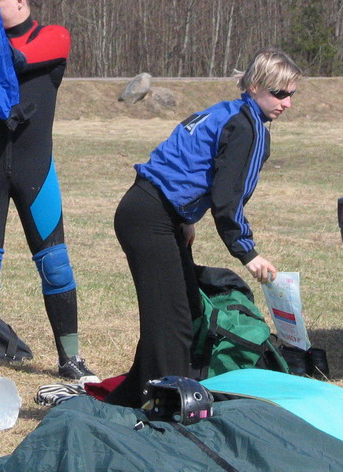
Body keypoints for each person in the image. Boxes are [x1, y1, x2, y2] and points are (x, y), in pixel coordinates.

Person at [105, 47, 301, 408]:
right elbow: (228, 199)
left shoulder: (227, 112)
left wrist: (185, 219)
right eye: (279, 93)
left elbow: (188, 165)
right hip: (150, 218)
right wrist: (248, 253)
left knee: (182, 314)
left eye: (291, 94)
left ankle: (132, 399)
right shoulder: (247, 127)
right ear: (255, 86)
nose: (286, 103)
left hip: (150, 211)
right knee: (172, 323)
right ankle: (164, 408)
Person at [0, 0, 95, 382]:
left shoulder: (54, 37)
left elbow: (17, 59)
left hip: (34, 169)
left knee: (56, 265)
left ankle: (70, 358)